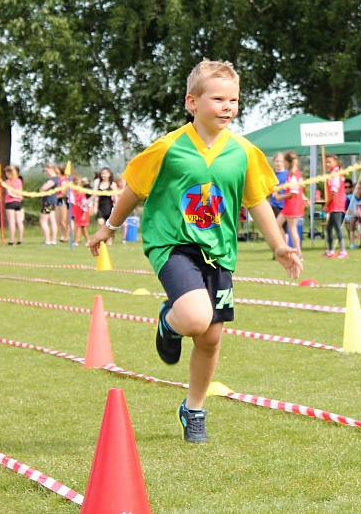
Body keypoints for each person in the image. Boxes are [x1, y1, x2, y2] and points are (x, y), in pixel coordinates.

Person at [88, 59, 302, 444]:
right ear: (192, 102)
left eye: (233, 100)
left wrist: (280, 246)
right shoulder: (168, 148)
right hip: (173, 245)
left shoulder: (243, 152)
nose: (227, 106)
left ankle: (194, 408)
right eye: (218, 98)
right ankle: (168, 322)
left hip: (217, 253)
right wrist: (110, 227)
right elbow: (134, 189)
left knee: (210, 338)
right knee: (194, 316)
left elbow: (257, 203)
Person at [280, 151, 306, 256]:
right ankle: (286, 247)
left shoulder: (294, 175)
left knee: (292, 229)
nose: (283, 164)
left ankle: (298, 253)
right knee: (278, 224)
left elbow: (293, 193)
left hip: (292, 206)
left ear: (287, 162)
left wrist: (279, 197)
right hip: (289, 205)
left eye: (284, 161)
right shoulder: (293, 173)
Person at [323, 154, 347, 258]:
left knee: (337, 227)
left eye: (329, 162)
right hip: (333, 205)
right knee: (329, 228)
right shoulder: (332, 173)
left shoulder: (336, 174)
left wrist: (326, 204)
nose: (327, 164)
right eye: (326, 162)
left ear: (336, 162)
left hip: (336, 204)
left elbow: (333, 192)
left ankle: (343, 250)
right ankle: (330, 250)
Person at [93, 167, 118, 244]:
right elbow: (95, 196)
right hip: (100, 206)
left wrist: (117, 207)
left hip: (109, 207)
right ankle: (101, 239)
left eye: (105, 173)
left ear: (109, 175)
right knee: (100, 222)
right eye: (102, 173)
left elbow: (116, 197)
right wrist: (94, 206)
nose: (103, 175)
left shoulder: (113, 184)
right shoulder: (98, 183)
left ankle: (109, 240)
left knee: (109, 226)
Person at [4, 165, 24, 245]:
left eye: (6, 173)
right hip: (19, 202)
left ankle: (11, 240)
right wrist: (18, 197)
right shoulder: (19, 181)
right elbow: (20, 192)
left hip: (10, 202)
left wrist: (15, 196)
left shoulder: (7, 182)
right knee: (19, 221)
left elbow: (9, 193)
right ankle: (20, 239)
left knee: (11, 222)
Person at [39, 164, 60, 245]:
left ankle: (48, 240)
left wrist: (41, 189)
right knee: (52, 220)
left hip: (48, 202)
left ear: (50, 169)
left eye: (46, 170)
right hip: (53, 202)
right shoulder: (55, 179)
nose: (45, 172)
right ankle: (53, 240)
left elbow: (43, 188)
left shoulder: (53, 179)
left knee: (43, 221)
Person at [71, 177, 92, 246]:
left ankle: (76, 241)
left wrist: (84, 214)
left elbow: (85, 205)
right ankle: (88, 240)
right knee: (82, 227)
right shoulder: (73, 193)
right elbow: (72, 203)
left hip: (83, 212)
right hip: (77, 212)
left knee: (80, 226)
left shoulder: (82, 194)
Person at [345, 181, 361, 247]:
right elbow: (345, 210)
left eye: (360, 188)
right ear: (353, 189)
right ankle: (352, 243)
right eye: (357, 188)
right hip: (350, 216)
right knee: (352, 220)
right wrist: (354, 212)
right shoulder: (349, 198)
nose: (358, 190)